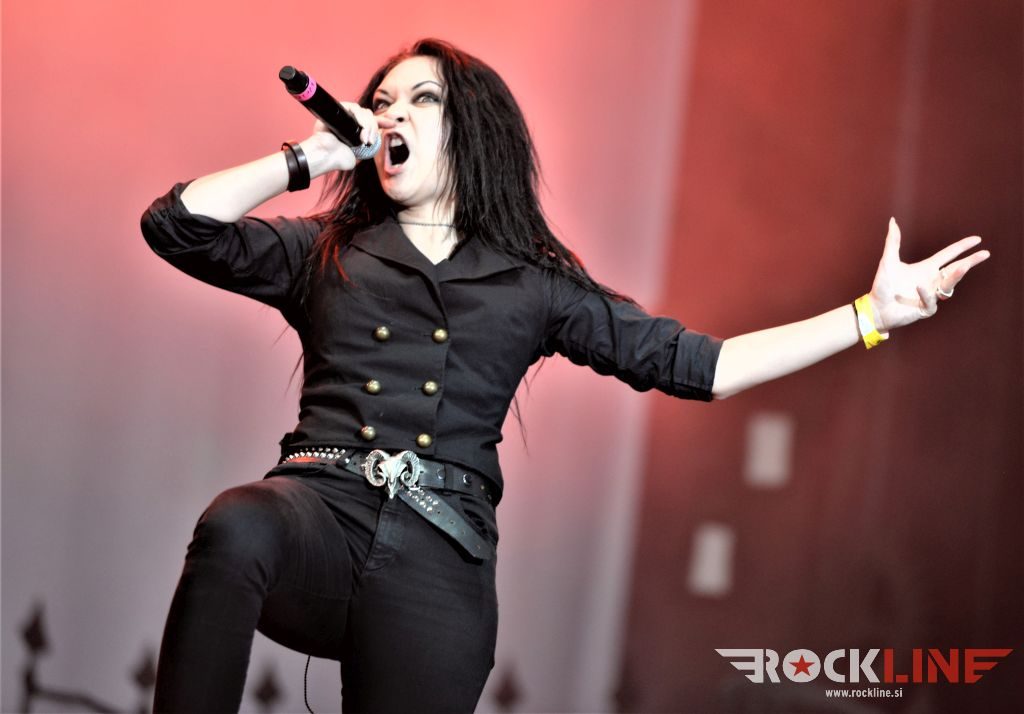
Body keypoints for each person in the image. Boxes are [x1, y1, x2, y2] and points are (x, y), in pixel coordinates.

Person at [140, 38, 988, 713]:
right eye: (382, 101)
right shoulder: (326, 253)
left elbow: (706, 367)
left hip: (439, 555)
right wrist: (308, 157)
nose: (390, 113)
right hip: (319, 514)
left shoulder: (532, 284)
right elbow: (175, 226)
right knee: (237, 525)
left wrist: (870, 317)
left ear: (472, 130)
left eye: (420, 99)